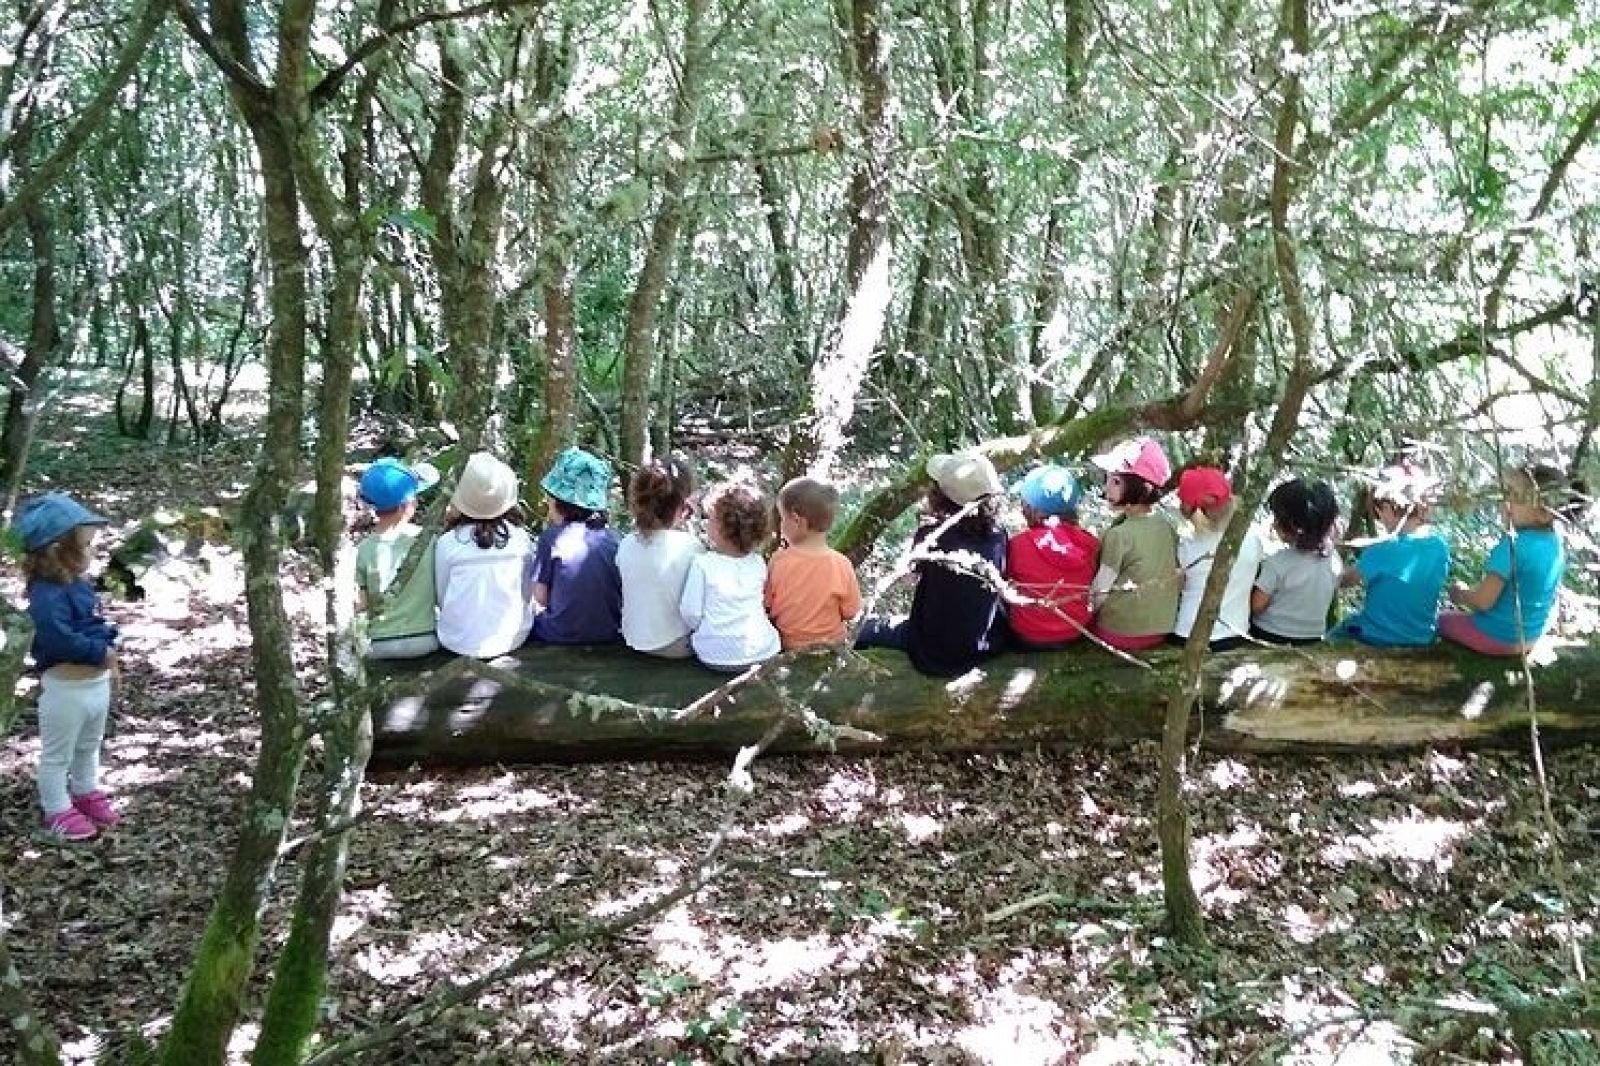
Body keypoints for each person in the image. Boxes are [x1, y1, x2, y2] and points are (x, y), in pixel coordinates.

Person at [16, 493, 122, 841]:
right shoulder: (45, 596)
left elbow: (90, 622)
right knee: (58, 753)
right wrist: (99, 652)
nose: (93, 552)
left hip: (94, 686)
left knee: (89, 744)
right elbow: (58, 639)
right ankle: (57, 808)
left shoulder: (78, 585)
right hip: (66, 688)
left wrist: (110, 639)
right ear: (58, 549)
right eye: (87, 545)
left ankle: (85, 791)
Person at [855, 450, 1009, 676]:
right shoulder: (998, 535)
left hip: (929, 650)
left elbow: (908, 578)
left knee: (863, 630)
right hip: (980, 645)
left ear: (941, 496)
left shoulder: (930, 534)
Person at [1439, 464, 1587, 655]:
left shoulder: (1513, 545)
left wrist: (1459, 593)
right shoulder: (1555, 544)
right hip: (1530, 637)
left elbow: (1484, 601)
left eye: (1515, 496)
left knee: (1440, 620)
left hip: (1497, 638)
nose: (1505, 501)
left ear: (1544, 513)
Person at [1328, 463, 1450, 647]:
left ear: (1389, 507)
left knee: (1332, 638)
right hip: (1421, 637)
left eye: (1379, 509)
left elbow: (1344, 581)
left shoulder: (1382, 549)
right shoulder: (1439, 546)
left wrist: (1329, 555)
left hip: (1376, 636)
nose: (1379, 516)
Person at [434, 451, 536, 658]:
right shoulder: (520, 538)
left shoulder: (447, 543)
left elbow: (442, 596)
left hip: (457, 641)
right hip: (513, 638)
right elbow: (527, 592)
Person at [1088, 437, 1180, 652]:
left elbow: (1100, 590)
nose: (1106, 487)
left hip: (1121, 631)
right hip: (1162, 627)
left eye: (1116, 481)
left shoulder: (1120, 535)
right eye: (1108, 479)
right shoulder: (1166, 525)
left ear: (1143, 488)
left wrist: (1086, 611)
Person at [679, 481, 782, 671]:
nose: (706, 523)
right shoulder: (758, 563)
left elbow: (690, 613)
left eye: (710, 518)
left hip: (715, 657)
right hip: (763, 651)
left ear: (722, 529)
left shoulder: (703, 564)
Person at [531, 446, 623, 644]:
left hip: (558, 635)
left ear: (556, 501)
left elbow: (540, 598)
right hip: (609, 634)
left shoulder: (551, 539)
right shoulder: (615, 540)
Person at [354, 457, 441, 659]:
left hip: (380, 645)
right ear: (407, 505)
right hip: (425, 638)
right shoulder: (429, 540)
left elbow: (360, 603)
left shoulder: (362, 551)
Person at [1004, 464, 1099, 648]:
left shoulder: (1017, 545)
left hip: (1029, 635)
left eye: (1024, 502)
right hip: (1075, 630)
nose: (1021, 506)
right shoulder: (1090, 543)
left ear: (1035, 510)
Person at [617, 455, 703, 658]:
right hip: (677, 646)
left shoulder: (626, 544)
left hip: (634, 640)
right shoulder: (691, 547)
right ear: (682, 507)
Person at [1171, 466, 1263, 651]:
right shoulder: (1253, 542)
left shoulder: (1187, 548)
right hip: (1235, 635)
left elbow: (1175, 588)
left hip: (1187, 634)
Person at [765, 476, 862, 649]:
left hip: (788, 644)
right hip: (831, 646)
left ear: (797, 521)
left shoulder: (779, 561)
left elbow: (767, 606)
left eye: (782, 518)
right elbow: (851, 611)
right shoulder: (842, 564)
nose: (780, 526)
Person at [1251, 477, 1342, 645]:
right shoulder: (1334, 560)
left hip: (1269, 634)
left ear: (1292, 525)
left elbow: (1257, 606)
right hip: (1311, 638)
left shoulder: (1277, 563)